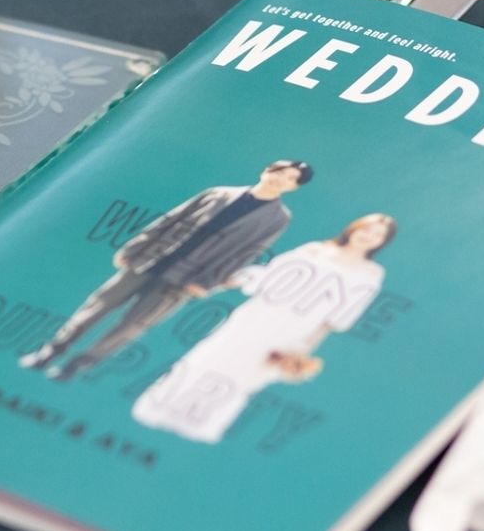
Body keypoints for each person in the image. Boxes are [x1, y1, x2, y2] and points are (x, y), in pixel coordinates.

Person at [19, 160, 313, 382]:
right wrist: (134, 248)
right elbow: (171, 219)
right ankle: (51, 351)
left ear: (293, 188)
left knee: (133, 324)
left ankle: (77, 366)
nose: (280, 179)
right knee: (99, 305)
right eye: (279, 171)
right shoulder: (218, 192)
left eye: (290, 179)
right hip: (152, 259)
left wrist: (208, 282)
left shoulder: (277, 218)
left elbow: (247, 253)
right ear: (267, 170)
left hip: (186, 279)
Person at [131, 213, 396, 443]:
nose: (369, 236)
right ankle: (159, 409)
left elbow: (334, 320)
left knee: (247, 375)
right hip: (258, 316)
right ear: (354, 228)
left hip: (294, 332)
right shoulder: (316, 250)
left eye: (377, 235)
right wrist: (216, 281)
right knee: (210, 357)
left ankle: (199, 424)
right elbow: (267, 274)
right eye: (366, 229)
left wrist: (305, 349)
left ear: (382, 242)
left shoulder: (371, 274)